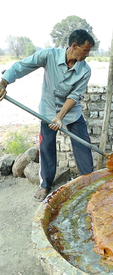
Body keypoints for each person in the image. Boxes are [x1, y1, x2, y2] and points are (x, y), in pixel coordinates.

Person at [0, 29, 95, 201]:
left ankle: (89, 183)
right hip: (48, 110)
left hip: (71, 112)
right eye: (86, 50)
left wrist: (60, 116)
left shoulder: (85, 70)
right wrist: (4, 82)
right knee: (46, 147)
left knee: (83, 146)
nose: (88, 55)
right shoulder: (48, 56)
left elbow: (74, 96)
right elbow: (22, 66)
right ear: (74, 46)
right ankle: (45, 186)